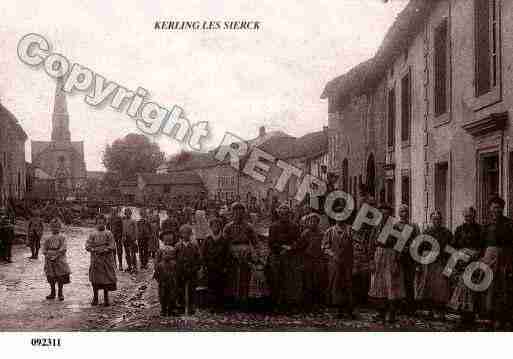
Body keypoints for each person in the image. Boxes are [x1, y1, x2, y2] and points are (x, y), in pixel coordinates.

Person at [368, 203, 405, 323]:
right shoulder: (376, 226)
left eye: (387, 213)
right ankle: (381, 313)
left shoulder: (395, 227)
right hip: (378, 254)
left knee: (391, 285)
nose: (384, 215)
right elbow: (371, 243)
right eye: (382, 213)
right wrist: (371, 260)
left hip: (391, 255)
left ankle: (392, 314)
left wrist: (396, 261)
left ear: (390, 214)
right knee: (379, 285)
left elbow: (400, 245)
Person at [480, 196, 513, 330]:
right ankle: (489, 319)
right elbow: (483, 244)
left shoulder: (509, 224)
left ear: (502, 208)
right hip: (488, 259)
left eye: (499, 207)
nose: (496, 210)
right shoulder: (487, 226)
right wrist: (483, 258)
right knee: (489, 288)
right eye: (494, 207)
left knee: (503, 289)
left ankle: (503, 320)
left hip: (504, 259)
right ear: (489, 209)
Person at [448, 207, 481, 329]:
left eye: (470, 216)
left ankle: (471, 317)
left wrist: (475, 254)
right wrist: (457, 257)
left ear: (474, 216)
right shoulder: (459, 229)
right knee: (461, 289)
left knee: (471, 289)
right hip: (461, 261)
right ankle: (463, 317)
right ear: (464, 217)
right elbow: (453, 245)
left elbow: (482, 246)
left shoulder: (479, 229)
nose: (468, 218)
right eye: (466, 216)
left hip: (474, 261)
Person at [415, 211, 452, 320]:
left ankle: (441, 311)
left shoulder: (447, 232)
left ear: (442, 220)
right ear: (431, 220)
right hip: (429, 263)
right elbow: (420, 247)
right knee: (428, 286)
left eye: (439, 219)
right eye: (434, 219)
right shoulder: (427, 232)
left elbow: (451, 247)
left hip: (441, 262)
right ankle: (430, 311)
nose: (437, 221)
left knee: (441, 287)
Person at [223, 202, 258, 308]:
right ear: (232, 213)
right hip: (232, 253)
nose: (238, 214)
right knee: (232, 276)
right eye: (236, 211)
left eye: (240, 211)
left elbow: (255, 242)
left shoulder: (248, 226)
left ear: (244, 213)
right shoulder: (228, 227)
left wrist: (254, 253)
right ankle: (233, 299)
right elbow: (224, 242)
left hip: (245, 252)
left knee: (245, 276)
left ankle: (244, 299)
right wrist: (230, 252)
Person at [322, 212, 355, 319]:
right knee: (335, 284)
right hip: (334, 263)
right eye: (337, 216)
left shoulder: (350, 230)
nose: (340, 219)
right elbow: (324, 247)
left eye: (342, 216)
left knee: (348, 284)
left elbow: (356, 244)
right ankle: (337, 309)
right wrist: (332, 254)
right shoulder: (330, 231)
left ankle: (349, 309)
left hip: (347, 262)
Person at [85, 215, 117, 306]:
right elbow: (87, 245)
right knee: (95, 279)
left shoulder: (109, 233)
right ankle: (95, 298)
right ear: (96, 223)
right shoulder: (92, 234)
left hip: (106, 259)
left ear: (105, 223)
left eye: (102, 222)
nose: (100, 224)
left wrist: (106, 250)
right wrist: (92, 249)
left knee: (106, 279)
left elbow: (112, 245)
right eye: (99, 222)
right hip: (95, 259)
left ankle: (106, 298)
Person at [395, 204, 420, 316]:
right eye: (401, 211)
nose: (404, 213)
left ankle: (410, 307)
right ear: (399, 213)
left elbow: (418, 241)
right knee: (399, 282)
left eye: (405, 211)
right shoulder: (395, 226)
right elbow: (392, 241)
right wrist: (399, 248)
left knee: (409, 281)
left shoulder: (414, 226)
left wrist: (410, 247)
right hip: (398, 257)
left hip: (410, 257)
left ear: (408, 213)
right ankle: (400, 306)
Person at [202, 217, 231, 313]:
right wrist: (204, 265)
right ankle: (212, 306)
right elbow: (203, 253)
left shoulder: (224, 240)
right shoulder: (207, 239)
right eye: (213, 226)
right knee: (211, 287)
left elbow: (227, 254)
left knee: (221, 287)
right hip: (210, 267)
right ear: (210, 227)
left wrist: (226, 266)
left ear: (221, 227)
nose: (215, 228)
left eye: (218, 226)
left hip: (221, 267)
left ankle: (220, 306)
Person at [298, 213, 325, 312]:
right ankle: (307, 304)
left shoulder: (322, 234)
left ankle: (317, 304)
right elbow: (300, 246)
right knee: (307, 282)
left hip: (318, 260)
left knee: (317, 282)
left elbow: (324, 247)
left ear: (318, 223)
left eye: (315, 221)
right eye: (311, 221)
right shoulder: (305, 233)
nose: (313, 223)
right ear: (308, 222)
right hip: (307, 259)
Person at [42, 218, 71, 301]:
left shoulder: (62, 237)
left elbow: (63, 247)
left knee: (60, 276)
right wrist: (46, 253)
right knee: (51, 276)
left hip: (59, 259)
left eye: (57, 227)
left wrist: (57, 254)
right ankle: (52, 292)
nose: (55, 229)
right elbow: (44, 247)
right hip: (49, 259)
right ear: (50, 227)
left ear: (60, 227)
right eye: (53, 227)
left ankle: (60, 293)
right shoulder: (48, 238)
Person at [175, 224, 201, 314]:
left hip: (191, 270)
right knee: (180, 289)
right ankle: (181, 306)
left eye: (187, 233)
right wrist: (176, 268)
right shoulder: (177, 246)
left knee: (191, 289)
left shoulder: (194, 245)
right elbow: (174, 258)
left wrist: (197, 267)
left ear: (190, 234)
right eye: (183, 233)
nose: (185, 235)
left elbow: (198, 257)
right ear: (181, 234)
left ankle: (191, 306)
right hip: (180, 271)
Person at [154, 246, 178, 317]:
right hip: (163, 284)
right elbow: (156, 275)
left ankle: (171, 309)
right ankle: (163, 310)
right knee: (163, 296)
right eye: (165, 254)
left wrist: (174, 280)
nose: (167, 255)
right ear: (162, 255)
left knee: (172, 296)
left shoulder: (174, 264)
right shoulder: (160, 265)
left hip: (171, 283)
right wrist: (160, 281)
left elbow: (176, 273)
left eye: (168, 254)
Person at [122, 208, 138, 273]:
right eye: (126, 213)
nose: (127, 214)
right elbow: (123, 230)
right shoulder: (123, 221)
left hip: (131, 239)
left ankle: (134, 267)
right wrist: (123, 236)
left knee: (133, 253)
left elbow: (136, 230)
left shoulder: (133, 221)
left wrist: (135, 238)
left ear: (130, 214)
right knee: (127, 253)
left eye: (129, 213)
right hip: (125, 239)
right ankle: (129, 266)